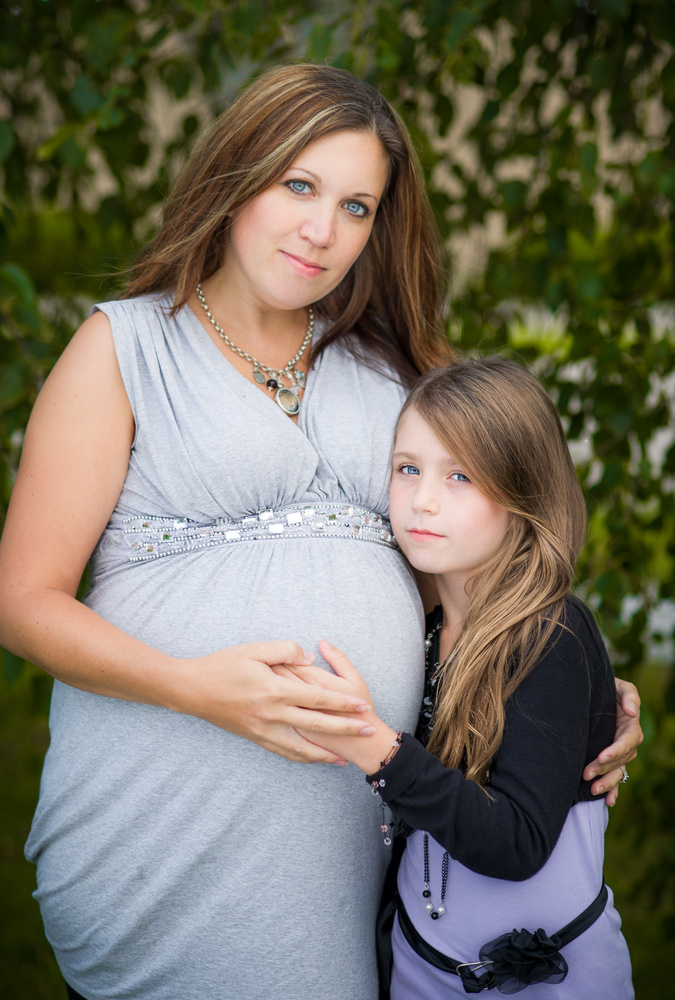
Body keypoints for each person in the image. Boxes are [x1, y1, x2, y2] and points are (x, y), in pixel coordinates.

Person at [0, 65, 639, 1000]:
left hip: (346, 844)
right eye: (297, 185)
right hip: (161, 815)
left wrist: (571, 688)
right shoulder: (122, 349)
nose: (322, 230)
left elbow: (470, 569)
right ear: (234, 176)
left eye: (356, 206)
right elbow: (21, 603)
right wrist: (196, 688)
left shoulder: (392, 370)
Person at [290, 356, 634, 998]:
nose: (423, 499)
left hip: (546, 980)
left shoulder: (550, 633)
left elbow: (517, 843)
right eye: (408, 468)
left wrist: (373, 747)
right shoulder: (419, 633)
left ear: (524, 492)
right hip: (423, 969)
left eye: (461, 476)